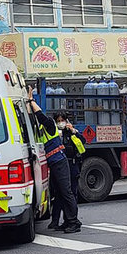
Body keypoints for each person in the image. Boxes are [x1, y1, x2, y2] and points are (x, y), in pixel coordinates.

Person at [27, 88, 81, 234]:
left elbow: (38, 114)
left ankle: (73, 222)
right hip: (54, 163)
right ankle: (62, 221)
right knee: (60, 193)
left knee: (66, 192)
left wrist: (31, 100)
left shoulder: (50, 125)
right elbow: (33, 116)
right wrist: (27, 102)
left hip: (59, 162)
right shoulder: (40, 129)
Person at [47, 112, 86, 230]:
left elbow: (82, 141)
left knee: (70, 194)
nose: (60, 123)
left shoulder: (71, 132)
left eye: (62, 120)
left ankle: (72, 220)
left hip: (72, 164)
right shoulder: (54, 133)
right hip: (60, 166)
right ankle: (59, 221)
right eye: (58, 121)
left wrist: (74, 131)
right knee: (59, 194)